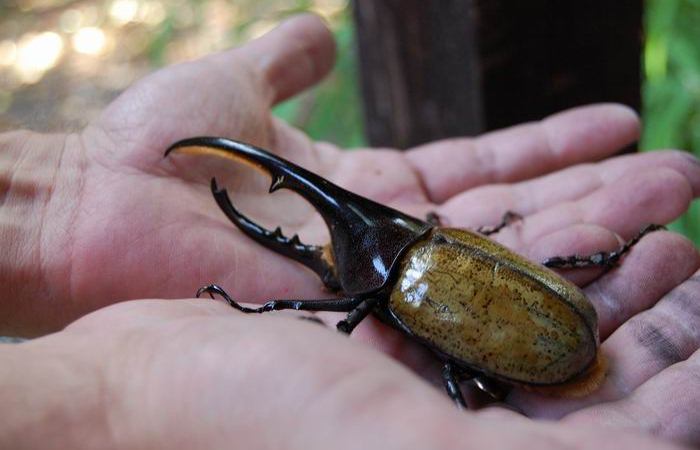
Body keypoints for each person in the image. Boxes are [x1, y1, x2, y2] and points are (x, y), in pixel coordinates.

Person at [1, 14, 699, 449]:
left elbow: (339, 301)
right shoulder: (437, 240)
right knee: (518, 279)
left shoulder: (387, 287)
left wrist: (269, 306)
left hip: (545, 342)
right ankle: (614, 255)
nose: (325, 257)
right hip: (540, 311)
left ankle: (612, 258)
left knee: (459, 363)